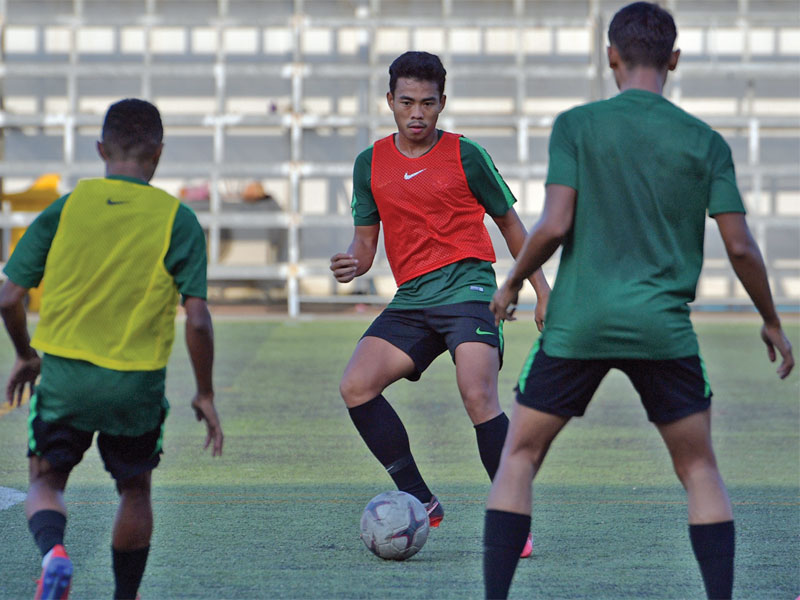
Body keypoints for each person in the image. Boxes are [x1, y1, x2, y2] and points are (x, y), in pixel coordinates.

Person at [481, 3, 795, 599]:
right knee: (699, 469)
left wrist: (513, 281)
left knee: (518, 456)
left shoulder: (577, 125)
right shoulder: (705, 143)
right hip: (662, 329)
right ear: (674, 60)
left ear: (611, 57)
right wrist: (772, 319)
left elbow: (552, 224)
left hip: (580, 324)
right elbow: (741, 247)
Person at [0, 98, 224, 600]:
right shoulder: (177, 218)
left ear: (101, 148)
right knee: (135, 489)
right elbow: (199, 321)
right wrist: (205, 392)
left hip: (65, 377)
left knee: (46, 481)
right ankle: (126, 596)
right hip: (135, 383)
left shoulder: (67, 207)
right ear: (159, 154)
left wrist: (25, 353)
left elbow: (9, 296)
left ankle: (55, 554)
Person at [330, 51, 549, 558]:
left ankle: (512, 520)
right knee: (356, 385)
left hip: (469, 289)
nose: (417, 114)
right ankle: (421, 499)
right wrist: (352, 263)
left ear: (442, 103)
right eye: (406, 102)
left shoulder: (466, 155)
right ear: (389, 101)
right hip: (412, 300)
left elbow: (512, 226)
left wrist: (542, 290)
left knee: (477, 393)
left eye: (428, 103)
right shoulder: (370, 164)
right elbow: (365, 245)